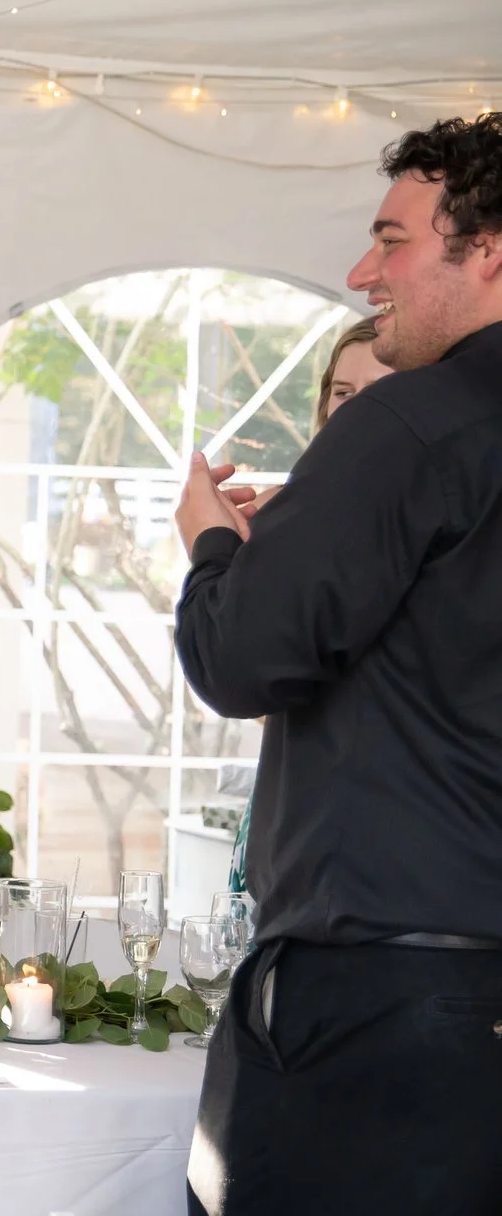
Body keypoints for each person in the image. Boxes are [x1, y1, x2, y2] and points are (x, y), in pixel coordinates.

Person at [173, 112, 502, 1216]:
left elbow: (242, 658)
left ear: (488, 250)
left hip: (387, 1001)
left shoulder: (407, 426)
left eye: (392, 240)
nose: (364, 275)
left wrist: (213, 548)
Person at [223, 312, 392, 891]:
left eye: (381, 392)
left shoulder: (436, 515)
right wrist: (232, 554)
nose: (356, 410)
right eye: (343, 392)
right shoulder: (284, 511)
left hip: (385, 829)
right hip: (295, 800)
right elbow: (254, 683)